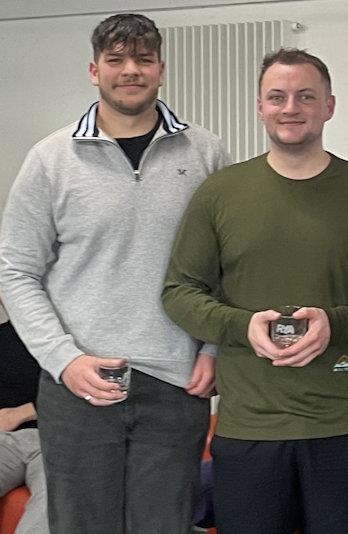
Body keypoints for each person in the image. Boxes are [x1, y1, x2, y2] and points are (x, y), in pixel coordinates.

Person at [161, 48, 348, 534]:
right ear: (259, 106)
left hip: (344, 424)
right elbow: (180, 291)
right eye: (277, 97)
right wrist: (240, 325)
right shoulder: (220, 194)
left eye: (305, 96)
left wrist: (335, 325)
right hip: (249, 425)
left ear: (329, 106)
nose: (290, 107)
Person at [0, 13, 229, 533]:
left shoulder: (207, 153)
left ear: (161, 69)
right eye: (116, 59)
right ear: (93, 69)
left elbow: (228, 267)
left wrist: (214, 351)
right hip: (77, 387)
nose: (130, 70)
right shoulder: (50, 159)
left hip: (177, 385)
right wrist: (64, 360)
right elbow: (15, 270)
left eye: (143, 59)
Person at [0, 305, 47, 534]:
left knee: (54, 502)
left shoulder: (71, 339)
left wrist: (20, 413)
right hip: (5, 441)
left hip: (57, 436)